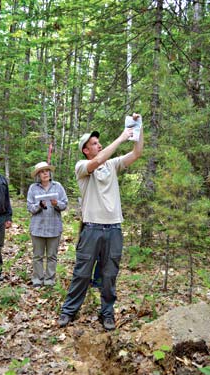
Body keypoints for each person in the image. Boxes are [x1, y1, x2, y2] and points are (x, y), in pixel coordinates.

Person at [58, 114, 143, 330]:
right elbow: (97, 162)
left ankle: (107, 314)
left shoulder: (113, 165)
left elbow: (137, 153)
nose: (99, 145)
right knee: (82, 272)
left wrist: (137, 129)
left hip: (114, 228)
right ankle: (68, 311)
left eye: (98, 142)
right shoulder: (82, 166)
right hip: (92, 228)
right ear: (86, 150)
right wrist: (122, 137)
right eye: (94, 143)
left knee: (109, 275)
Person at [27, 161, 68, 288]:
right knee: (38, 256)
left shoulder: (58, 186)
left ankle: (49, 280)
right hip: (38, 227)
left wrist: (56, 204)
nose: (45, 174)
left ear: (50, 173)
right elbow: (30, 207)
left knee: (52, 256)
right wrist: (39, 205)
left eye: (47, 171)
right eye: (42, 172)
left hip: (54, 226)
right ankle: (37, 280)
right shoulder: (33, 188)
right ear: (38, 175)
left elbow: (65, 204)